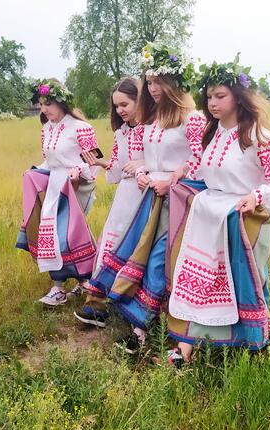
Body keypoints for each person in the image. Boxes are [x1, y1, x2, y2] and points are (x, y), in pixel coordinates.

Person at [166, 59, 270, 366]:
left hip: (244, 220)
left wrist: (256, 195)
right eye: (209, 96)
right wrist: (180, 172)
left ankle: (255, 342)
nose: (212, 103)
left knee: (247, 282)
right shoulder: (210, 134)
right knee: (206, 282)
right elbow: (202, 169)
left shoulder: (261, 138)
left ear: (238, 96)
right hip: (209, 219)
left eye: (220, 96)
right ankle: (189, 346)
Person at [106, 43, 205, 353]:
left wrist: (174, 179)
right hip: (151, 197)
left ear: (174, 82)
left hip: (179, 200)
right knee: (144, 256)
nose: (152, 88)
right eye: (148, 82)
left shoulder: (194, 119)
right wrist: (143, 174)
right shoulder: (151, 119)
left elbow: (201, 160)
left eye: (158, 81)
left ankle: (162, 329)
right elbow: (144, 158)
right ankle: (142, 327)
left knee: (163, 261)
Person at [16, 79, 101, 306]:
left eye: (47, 104)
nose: (43, 109)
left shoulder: (82, 128)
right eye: (41, 104)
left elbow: (93, 163)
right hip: (55, 187)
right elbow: (50, 162)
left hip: (76, 188)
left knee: (69, 236)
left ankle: (86, 280)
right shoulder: (46, 129)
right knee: (53, 237)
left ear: (62, 102)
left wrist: (78, 171)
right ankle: (59, 287)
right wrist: (34, 172)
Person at [75, 78, 146, 327]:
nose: (120, 111)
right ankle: (99, 302)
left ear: (140, 99)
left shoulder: (153, 129)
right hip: (125, 195)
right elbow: (116, 173)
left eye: (125, 104)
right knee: (112, 241)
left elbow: (165, 161)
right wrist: (101, 163)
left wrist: (143, 165)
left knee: (136, 245)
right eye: (116, 107)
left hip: (145, 193)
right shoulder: (122, 132)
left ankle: (132, 304)